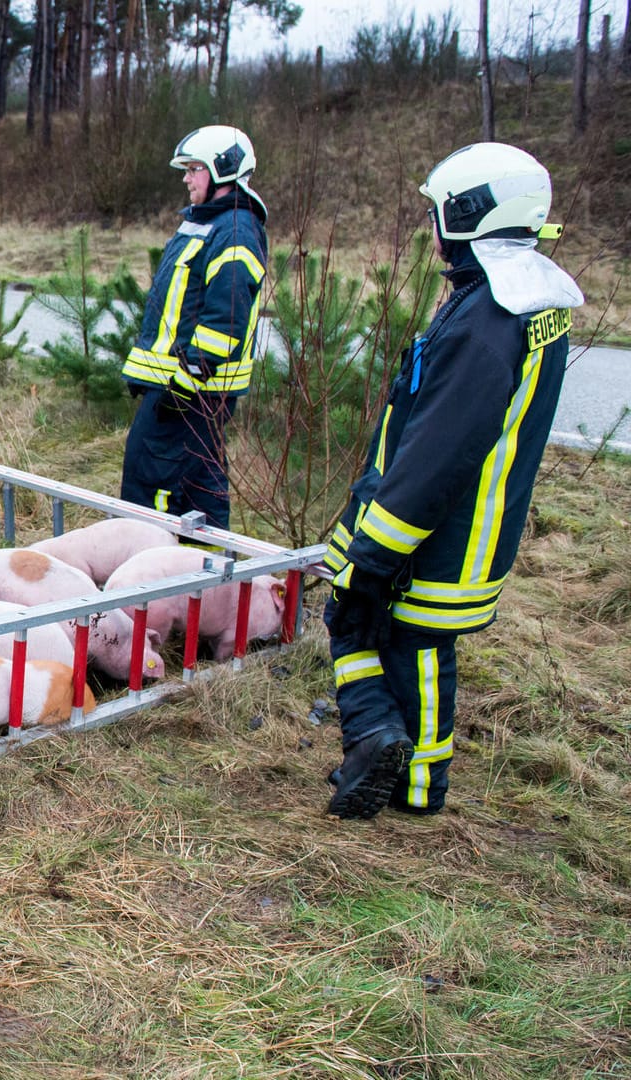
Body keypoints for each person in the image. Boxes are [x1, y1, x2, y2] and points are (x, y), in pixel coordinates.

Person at [322, 143, 582, 820]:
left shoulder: (487, 319)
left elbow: (438, 451)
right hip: (468, 522)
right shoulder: (510, 298)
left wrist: (375, 555)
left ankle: (394, 763)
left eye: (440, 213)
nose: (433, 228)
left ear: (470, 214)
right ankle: (397, 763)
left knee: (389, 634)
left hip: (442, 531)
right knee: (409, 644)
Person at [118, 125, 268, 532]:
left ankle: (145, 583)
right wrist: (147, 372)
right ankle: (207, 576)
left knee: (150, 487)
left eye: (194, 169)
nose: (186, 178)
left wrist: (184, 383)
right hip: (181, 388)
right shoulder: (210, 224)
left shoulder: (234, 232)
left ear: (223, 170)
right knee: (200, 487)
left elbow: (225, 322)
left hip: (191, 392)